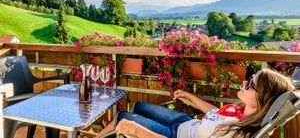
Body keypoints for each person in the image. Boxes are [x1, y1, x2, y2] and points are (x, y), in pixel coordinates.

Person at [98, 68, 295, 138]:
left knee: (123, 118)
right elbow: (214, 114)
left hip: (175, 134)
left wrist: (138, 131)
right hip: (185, 121)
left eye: (251, 84)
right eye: (250, 78)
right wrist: (190, 97)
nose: (245, 82)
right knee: (139, 106)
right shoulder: (243, 114)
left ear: (263, 99)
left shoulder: (236, 133)